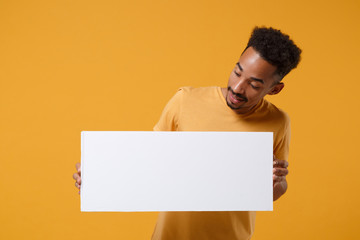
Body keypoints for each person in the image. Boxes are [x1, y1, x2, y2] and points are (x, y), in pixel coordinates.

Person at [73, 26, 301, 240]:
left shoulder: (278, 122)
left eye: (254, 84)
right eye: (237, 72)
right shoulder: (186, 100)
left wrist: (274, 183)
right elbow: (146, 164)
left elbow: (274, 190)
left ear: (275, 89)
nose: (237, 87)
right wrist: (99, 176)